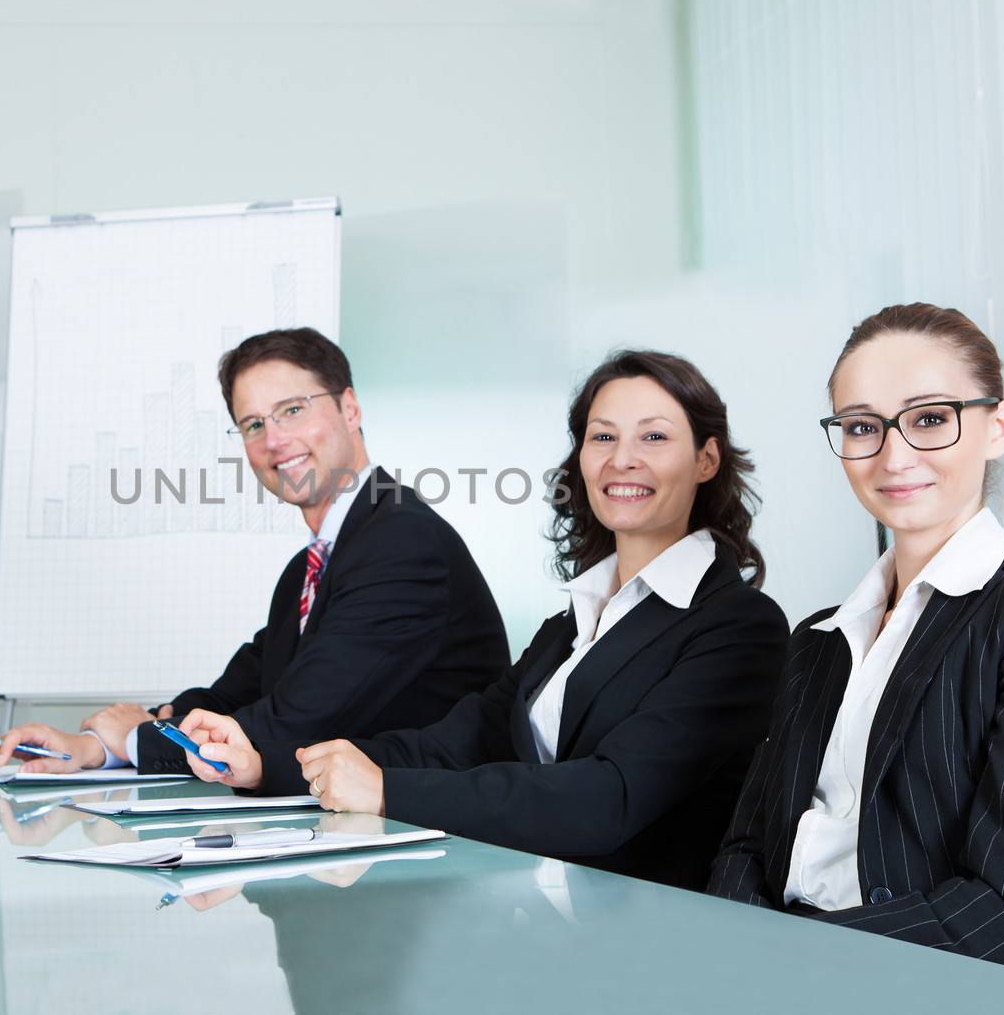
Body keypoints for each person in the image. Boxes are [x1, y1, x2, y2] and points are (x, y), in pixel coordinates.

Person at [180, 349, 790, 889]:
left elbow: (609, 797)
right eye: (602, 438)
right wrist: (268, 763)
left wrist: (388, 791)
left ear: (707, 459)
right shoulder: (569, 627)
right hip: (537, 923)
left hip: (651, 948)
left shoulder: (738, 627)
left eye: (653, 438)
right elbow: (452, 746)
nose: (621, 460)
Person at [707, 303, 1004, 978]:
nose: (894, 454)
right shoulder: (820, 636)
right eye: (863, 426)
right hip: (778, 972)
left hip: (934, 984)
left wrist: (785, 960)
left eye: (930, 418)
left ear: (998, 426)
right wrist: (731, 957)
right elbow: (747, 848)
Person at [0, 327, 509, 777]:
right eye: (254, 424)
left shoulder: (402, 543)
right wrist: (96, 747)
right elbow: (236, 694)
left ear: (350, 408)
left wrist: (138, 740)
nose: (275, 440)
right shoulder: (309, 569)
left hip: (431, 848)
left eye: (292, 410)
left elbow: (300, 719)